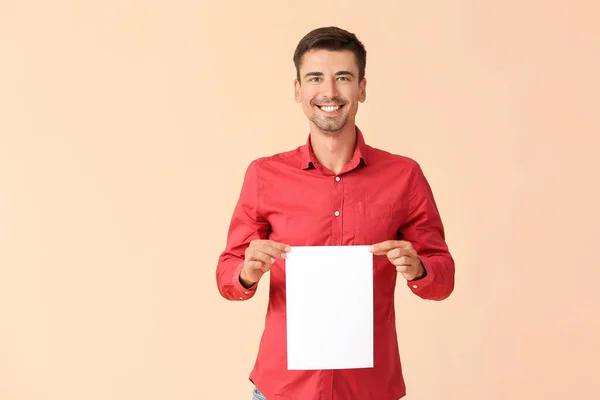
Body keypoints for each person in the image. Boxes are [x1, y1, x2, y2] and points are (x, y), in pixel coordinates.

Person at [215, 26, 455, 400]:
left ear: (361, 88)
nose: (329, 92)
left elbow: (443, 277)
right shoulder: (264, 175)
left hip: (370, 388)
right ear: (298, 90)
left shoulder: (404, 176)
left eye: (343, 77)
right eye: (315, 78)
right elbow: (227, 276)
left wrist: (419, 268)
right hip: (283, 388)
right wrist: (246, 272)